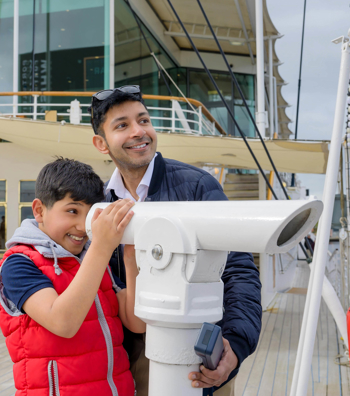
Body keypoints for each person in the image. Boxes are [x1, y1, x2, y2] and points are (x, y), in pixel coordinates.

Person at [90, 86, 262, 396]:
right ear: (101, 144)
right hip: (132, 364)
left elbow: (238, 271)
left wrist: (235, 347)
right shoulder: (100, 205)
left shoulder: (198, 187)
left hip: (200, 361)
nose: (139, 131)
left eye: (143, 120)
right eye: (122, 125)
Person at [0, 158, 144, 396]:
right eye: (72, 211)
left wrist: (130, 259)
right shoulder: (18, 263)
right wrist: (101, 247)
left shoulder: (94, 258)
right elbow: (63, 323)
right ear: (39, 210)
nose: (81, 227)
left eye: (90, 216)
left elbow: (136, 322)